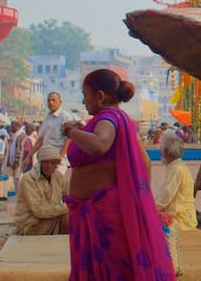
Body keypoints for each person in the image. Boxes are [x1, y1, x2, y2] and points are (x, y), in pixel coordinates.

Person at [60, 69, 174, 280]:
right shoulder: (118, 120)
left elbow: (99, 145)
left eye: (85, 95)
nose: (83, 101)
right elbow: (145, 162)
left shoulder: (109, 118)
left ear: (100, 96)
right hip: (94, 211)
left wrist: (70, 131)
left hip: (102, 212)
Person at [155, 132, 197, 274]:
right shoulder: (174, 167)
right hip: (176, 215)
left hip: (180, 219)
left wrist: (148, 209)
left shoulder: (177, 169)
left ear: (166, 151)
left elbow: (164, 199)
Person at [14, 145, 70, 235]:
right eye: (46, 162)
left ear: (57, 164)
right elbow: (38, 210)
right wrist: (67, 207)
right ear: (40, 162)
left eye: (52, 162)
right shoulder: (28, 179)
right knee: (67, 219)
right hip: (32, 223)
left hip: (49, 218)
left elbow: (69, 194)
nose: (49, 165)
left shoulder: (58, 176)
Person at [31, 92, 80, 164]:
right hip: (46, 158)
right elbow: (41, 139)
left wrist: (59, 158)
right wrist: (29, 155)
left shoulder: (65, 116)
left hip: (57, 160)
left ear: (60, 102)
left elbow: (68, 140)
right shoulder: (47, 117)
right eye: (49, 100)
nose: (51, 102)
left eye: (53, 100)